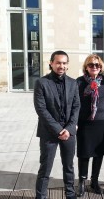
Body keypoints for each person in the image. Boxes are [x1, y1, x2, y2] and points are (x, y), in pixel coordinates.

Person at [34, 50, 80, 199]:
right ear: (51, 63)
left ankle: (70, 194)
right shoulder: (41, 83)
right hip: (49, 132)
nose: (61, 66)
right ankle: (41, 196)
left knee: (69, 167)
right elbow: (41, 109)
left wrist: (69, 128)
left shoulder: (73, 83)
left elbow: (76, 106)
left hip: (68, 132)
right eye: (58, 62)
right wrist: (58, 129)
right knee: (45, 168)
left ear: (67, 65)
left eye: (64, 63)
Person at [76, 54, 104, 197]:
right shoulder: (79, 82)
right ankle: (82, 182)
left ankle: (94, 181)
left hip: (103, 122)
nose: (94, 67)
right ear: (86, 67)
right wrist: (74, 122)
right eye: (91, 65)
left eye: (97, 65)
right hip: (85, 123)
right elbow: (74, 104)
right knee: (84, 153)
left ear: (101, 67)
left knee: (99, 152)